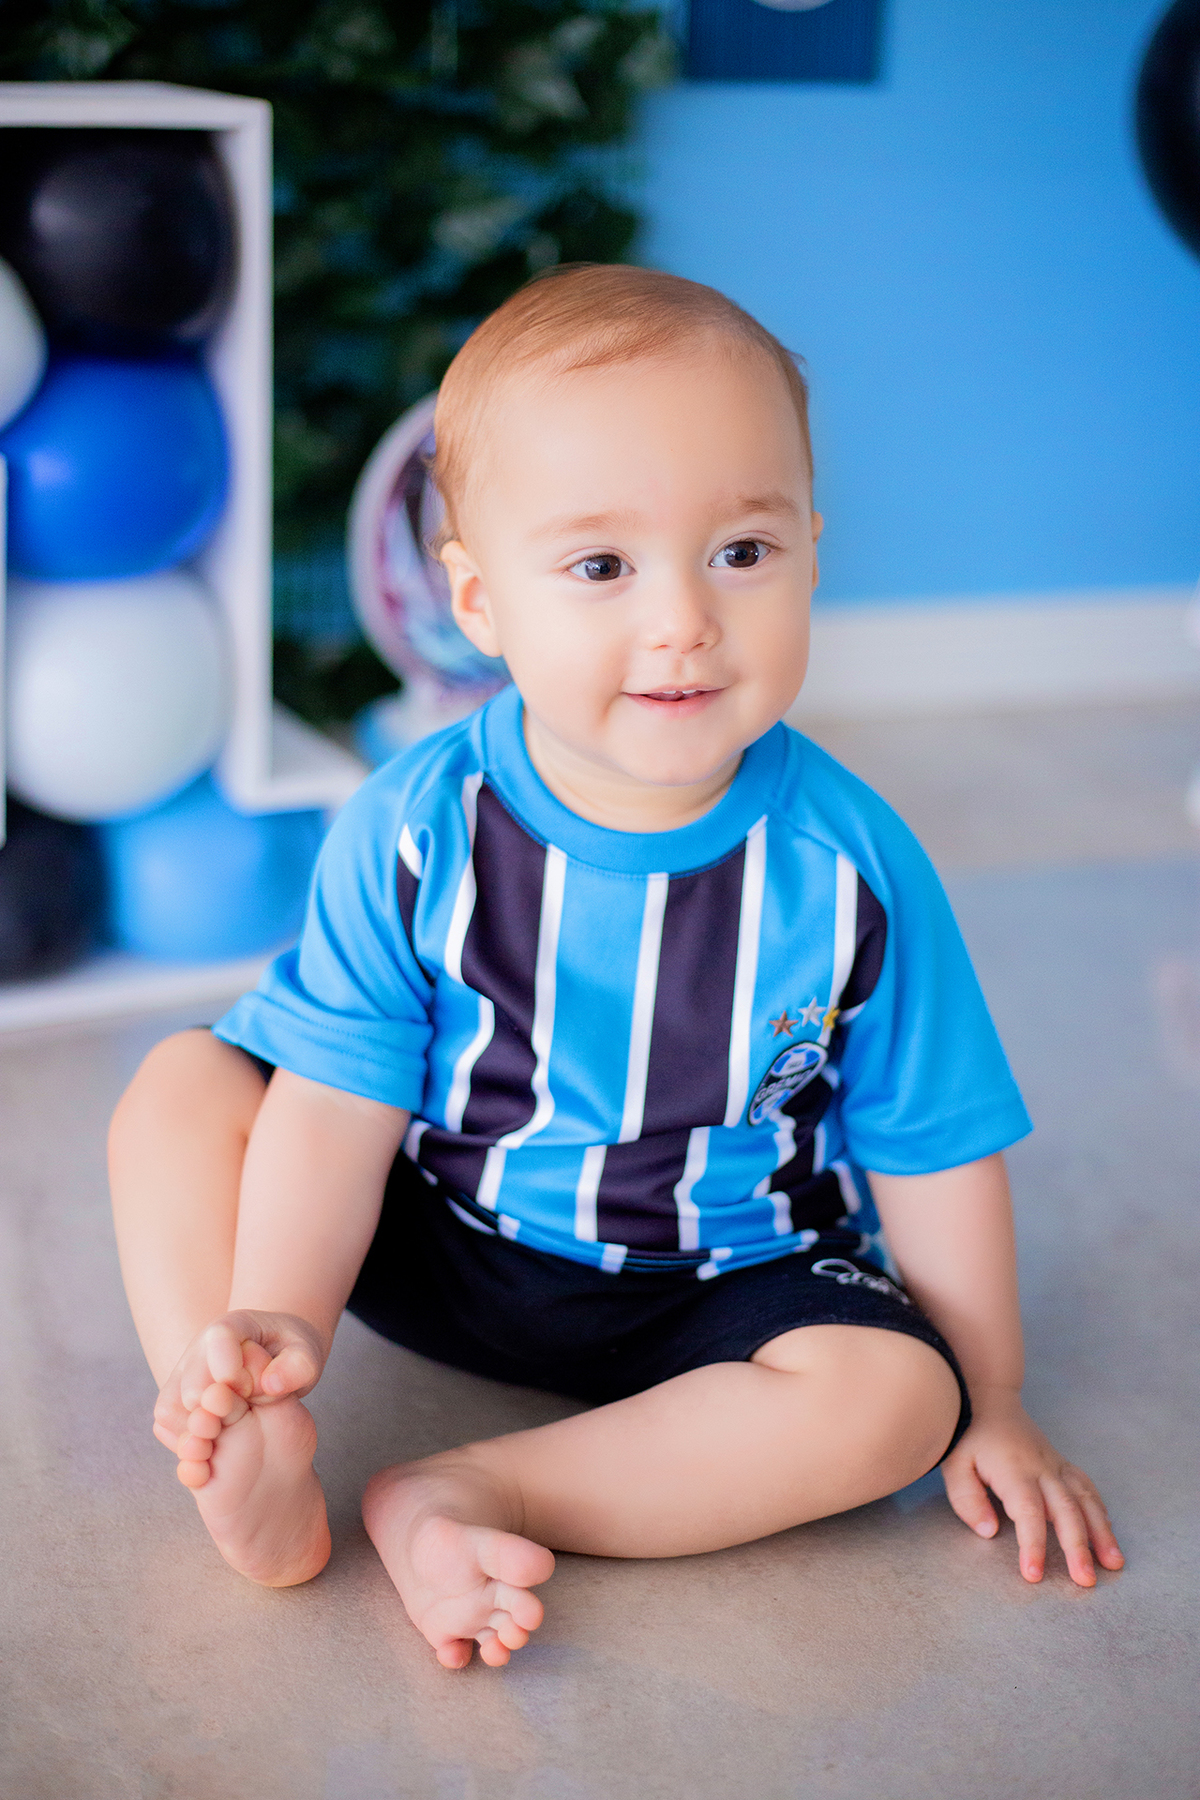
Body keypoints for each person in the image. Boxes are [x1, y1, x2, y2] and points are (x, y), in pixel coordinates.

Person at [108, 265, 1123, 1671]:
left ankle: (481, 1488)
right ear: (479, 600)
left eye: (742, 553)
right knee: (182, 1086)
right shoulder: (418, 826)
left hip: (719, 1284)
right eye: (600, 567)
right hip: (440, 1231)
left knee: (896, 1399)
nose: (684, 620)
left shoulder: (849, 867)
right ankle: (240, 1403)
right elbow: (335, 1104)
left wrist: (995, 1397)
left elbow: (934, 1146)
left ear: (813, 555)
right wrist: (284, 1302)